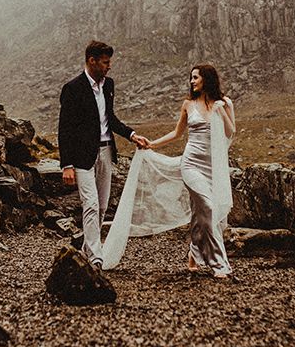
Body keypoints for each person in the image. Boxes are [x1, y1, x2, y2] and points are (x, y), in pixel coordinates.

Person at [102, 64, 235, 278]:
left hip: (211, 166)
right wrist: (151, 144)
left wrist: (220, 110)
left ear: (206, 79)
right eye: (191, 78)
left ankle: (194, 251)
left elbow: (231, 132)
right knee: (208, 208)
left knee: (200, 213)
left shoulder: (223, 103)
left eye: (195, 78)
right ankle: (219, 264)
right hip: (191, 164)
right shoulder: (188, 105)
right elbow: (177, 133)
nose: (191, 82)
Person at [58, 40, 150, 269]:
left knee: (101, 206)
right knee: (89, 204)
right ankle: (97, 257)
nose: (109, 67)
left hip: (106, 151)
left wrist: (132, 135)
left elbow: (111, 119)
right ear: (92, 61)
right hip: (81, 157)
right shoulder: (72, 88)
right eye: (106, 62)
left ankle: (86, 251)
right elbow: (65, 128)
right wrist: (66, 164)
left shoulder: (108, 85)